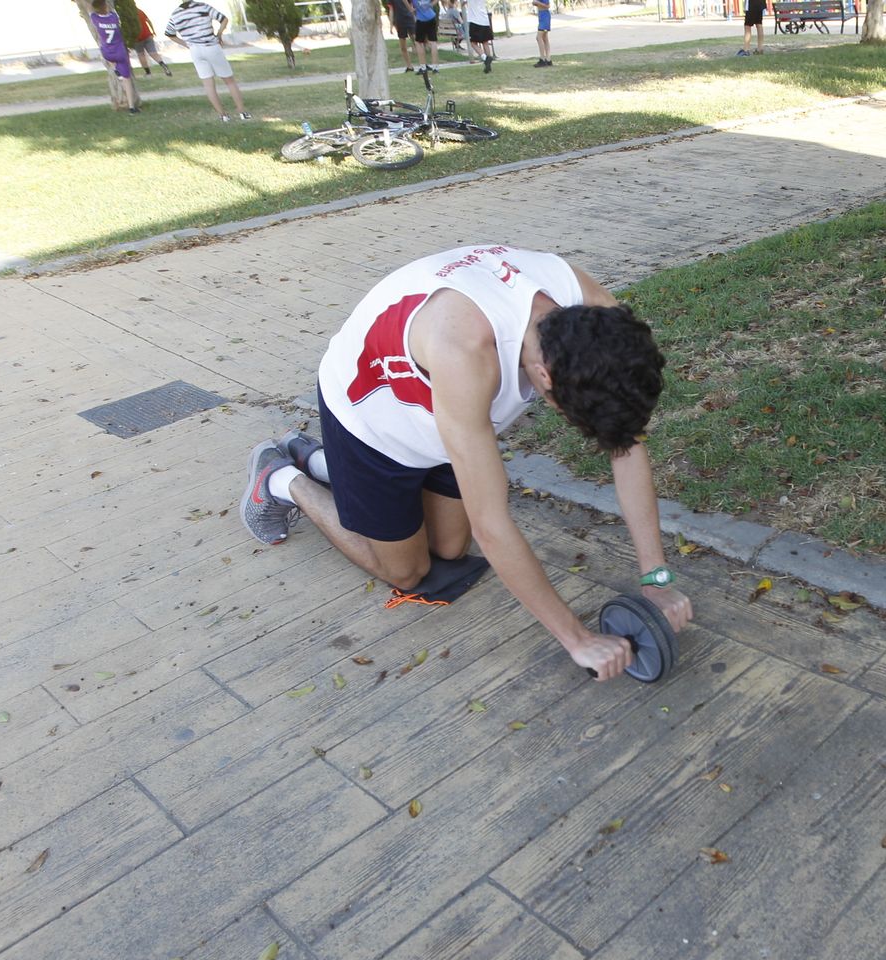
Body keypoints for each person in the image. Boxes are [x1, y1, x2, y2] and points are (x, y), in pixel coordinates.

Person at [239, 245, 692, 681]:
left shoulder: (592, 309)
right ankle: (283, 479)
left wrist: (655, 575)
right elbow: (492, 527)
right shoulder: (466, 349)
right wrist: (576, 638)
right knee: (410, 572)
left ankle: (319, 461)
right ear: (546, 378)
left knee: (450, 551)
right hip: (374, 423)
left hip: (451, 421)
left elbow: (625, 444)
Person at [164, 0, 250, 121]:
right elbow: (223, 19)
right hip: (211, 46)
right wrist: (219, 34)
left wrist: (186, 44)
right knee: (229, 81)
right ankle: (242, 112)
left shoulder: (176, 13)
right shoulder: (202, 7)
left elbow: (169, 33)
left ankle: (223, 115)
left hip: (195, 51)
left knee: (208, 85)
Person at [89, 0, 142, 113]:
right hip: (120, 51)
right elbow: (112, 11)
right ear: (106, 7)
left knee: (110, 59)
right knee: (126, 79)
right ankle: (132, 107)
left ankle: (115, 69)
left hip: (107, 52)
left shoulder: (95, 19)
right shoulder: (114, 17)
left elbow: (89, 8)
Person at [132, 8, 173, 77]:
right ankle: (163, 65)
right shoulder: (140, 11)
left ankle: (148, 73)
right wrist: (153, 31)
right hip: (148, 35)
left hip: (137, 38)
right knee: (153, 53)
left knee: (141, 55)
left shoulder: (129, 14)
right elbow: (148, 21)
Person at [464, 0, 496, 73]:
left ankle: (485, 58)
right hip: (484, 20)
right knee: (485, 42)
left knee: (473, 43)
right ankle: (488, 65)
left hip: (475, 21)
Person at [386, 0, 418, 73]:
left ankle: (423, 64)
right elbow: (391, 10)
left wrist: (414, 17)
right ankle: (409, 66)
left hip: (409, 19)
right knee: (403, 47)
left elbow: (411, 5)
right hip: (400, 21)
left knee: (417, 42)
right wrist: (391, 25)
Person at [411, 0, 442, 71]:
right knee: (433, 42)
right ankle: (435, 67)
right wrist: (430, 5)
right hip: (431, 17)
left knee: (419, 43)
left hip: (421, 20)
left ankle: (423, 67)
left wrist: (411, 9)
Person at [533, 0, 552, 67]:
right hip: (542, 16)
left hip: (545, 17)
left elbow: (548, 6)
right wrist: (536, 3)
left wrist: (537, 3)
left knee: (538, 37)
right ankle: (548, 59)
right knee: (544, 38)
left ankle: (542, 59)